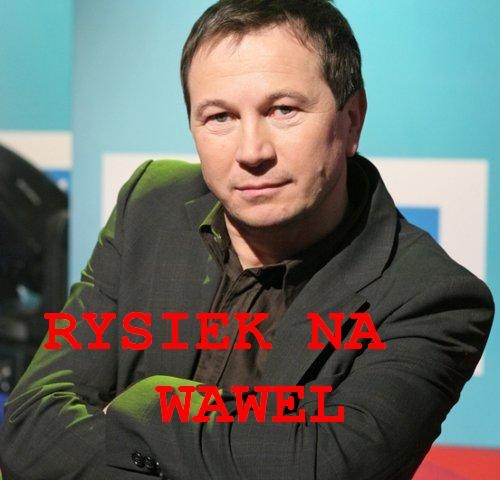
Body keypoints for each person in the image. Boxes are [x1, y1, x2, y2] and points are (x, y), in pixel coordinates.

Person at [0, 1, 494, 479]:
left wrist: (148, 405)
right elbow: (29, 429)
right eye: (220, 117)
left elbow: (321, 467)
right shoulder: (149, 207)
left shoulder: (431, 297)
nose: (252, 151)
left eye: (283, 110)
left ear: (351, 120)